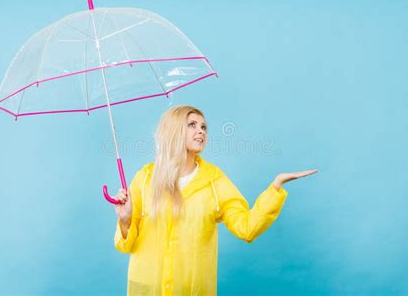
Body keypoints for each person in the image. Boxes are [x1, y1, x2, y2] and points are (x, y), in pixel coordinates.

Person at [113, 105, 318, 295]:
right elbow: (126, 246)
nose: (201, 131)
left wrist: (275, 187)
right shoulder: (146, 179)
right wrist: (125, 220)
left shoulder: (214, 181)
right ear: (173, 131)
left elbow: (247, 228)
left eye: (204, 127)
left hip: (192, 289)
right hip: (148, 287)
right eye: (192, 125)